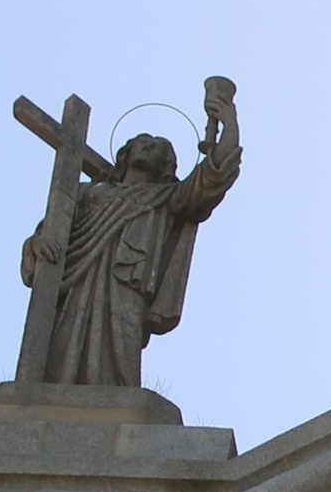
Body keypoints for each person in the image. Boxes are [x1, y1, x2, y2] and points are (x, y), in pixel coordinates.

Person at [21, 78, 240, 390]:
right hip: (75, 276)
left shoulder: (166, 197)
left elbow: (212, 177)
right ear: (125, 154)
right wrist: (36, 245)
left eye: (158, 146)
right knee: (62, 343)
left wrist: (228, 121)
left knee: (119, 346)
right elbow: (50, 231)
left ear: (165, 164)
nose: (148, 144)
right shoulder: (84, 193)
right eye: (142, 141)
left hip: (126, 280)